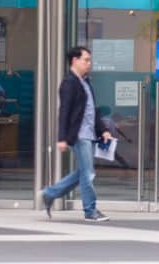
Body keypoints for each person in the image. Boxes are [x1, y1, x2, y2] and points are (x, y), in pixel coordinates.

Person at [41, 45, 113, 222]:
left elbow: (92, 111)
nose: (89, 63)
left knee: (83, 172)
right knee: (88, 174)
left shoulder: (85, 82)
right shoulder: (69, 83)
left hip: (89, 134)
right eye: (86, 60)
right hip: (80, 135)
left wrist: (103, 130)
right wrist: (62, 138)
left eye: (89, 60)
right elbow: (64, 111)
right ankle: (90, 210)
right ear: (75, 60)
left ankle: (50, 193)